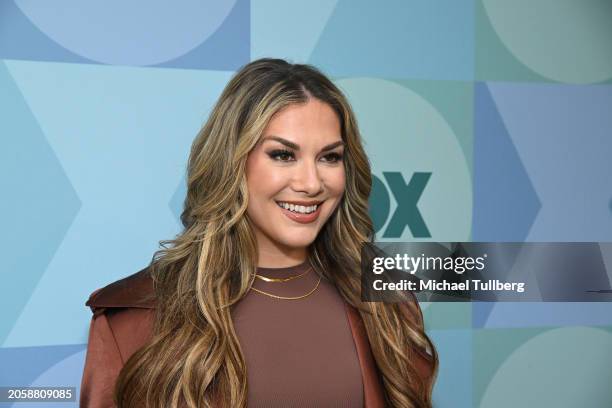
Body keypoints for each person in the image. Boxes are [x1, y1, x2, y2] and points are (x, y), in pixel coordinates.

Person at [80, 58, 438, 408]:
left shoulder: (387, 298)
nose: (311, 183)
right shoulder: (132, 319)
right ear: (233, 161)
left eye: (330, 157)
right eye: (283, 155)